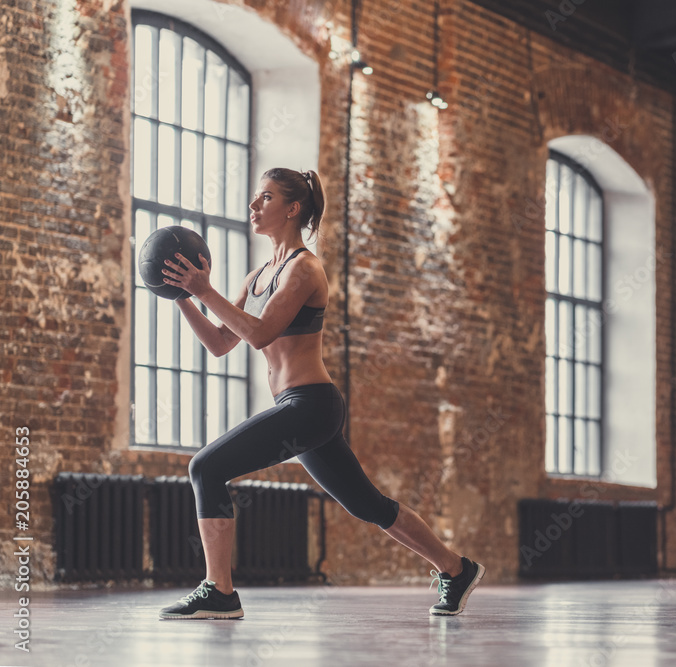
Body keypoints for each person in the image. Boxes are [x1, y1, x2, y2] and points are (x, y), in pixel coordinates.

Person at [157, 167, 484, 620]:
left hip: (310, 405)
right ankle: (456, 567)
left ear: (292, 209)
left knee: (206, 467)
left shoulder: (305, 269)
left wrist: (204, 289)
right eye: (255, 197)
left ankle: (220, 592)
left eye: (265, 198)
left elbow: (258, 333)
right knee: (368, 504)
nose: (254, 206)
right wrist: (181, 295)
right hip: (301, 409)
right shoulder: (257, 277)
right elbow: (219, 343)